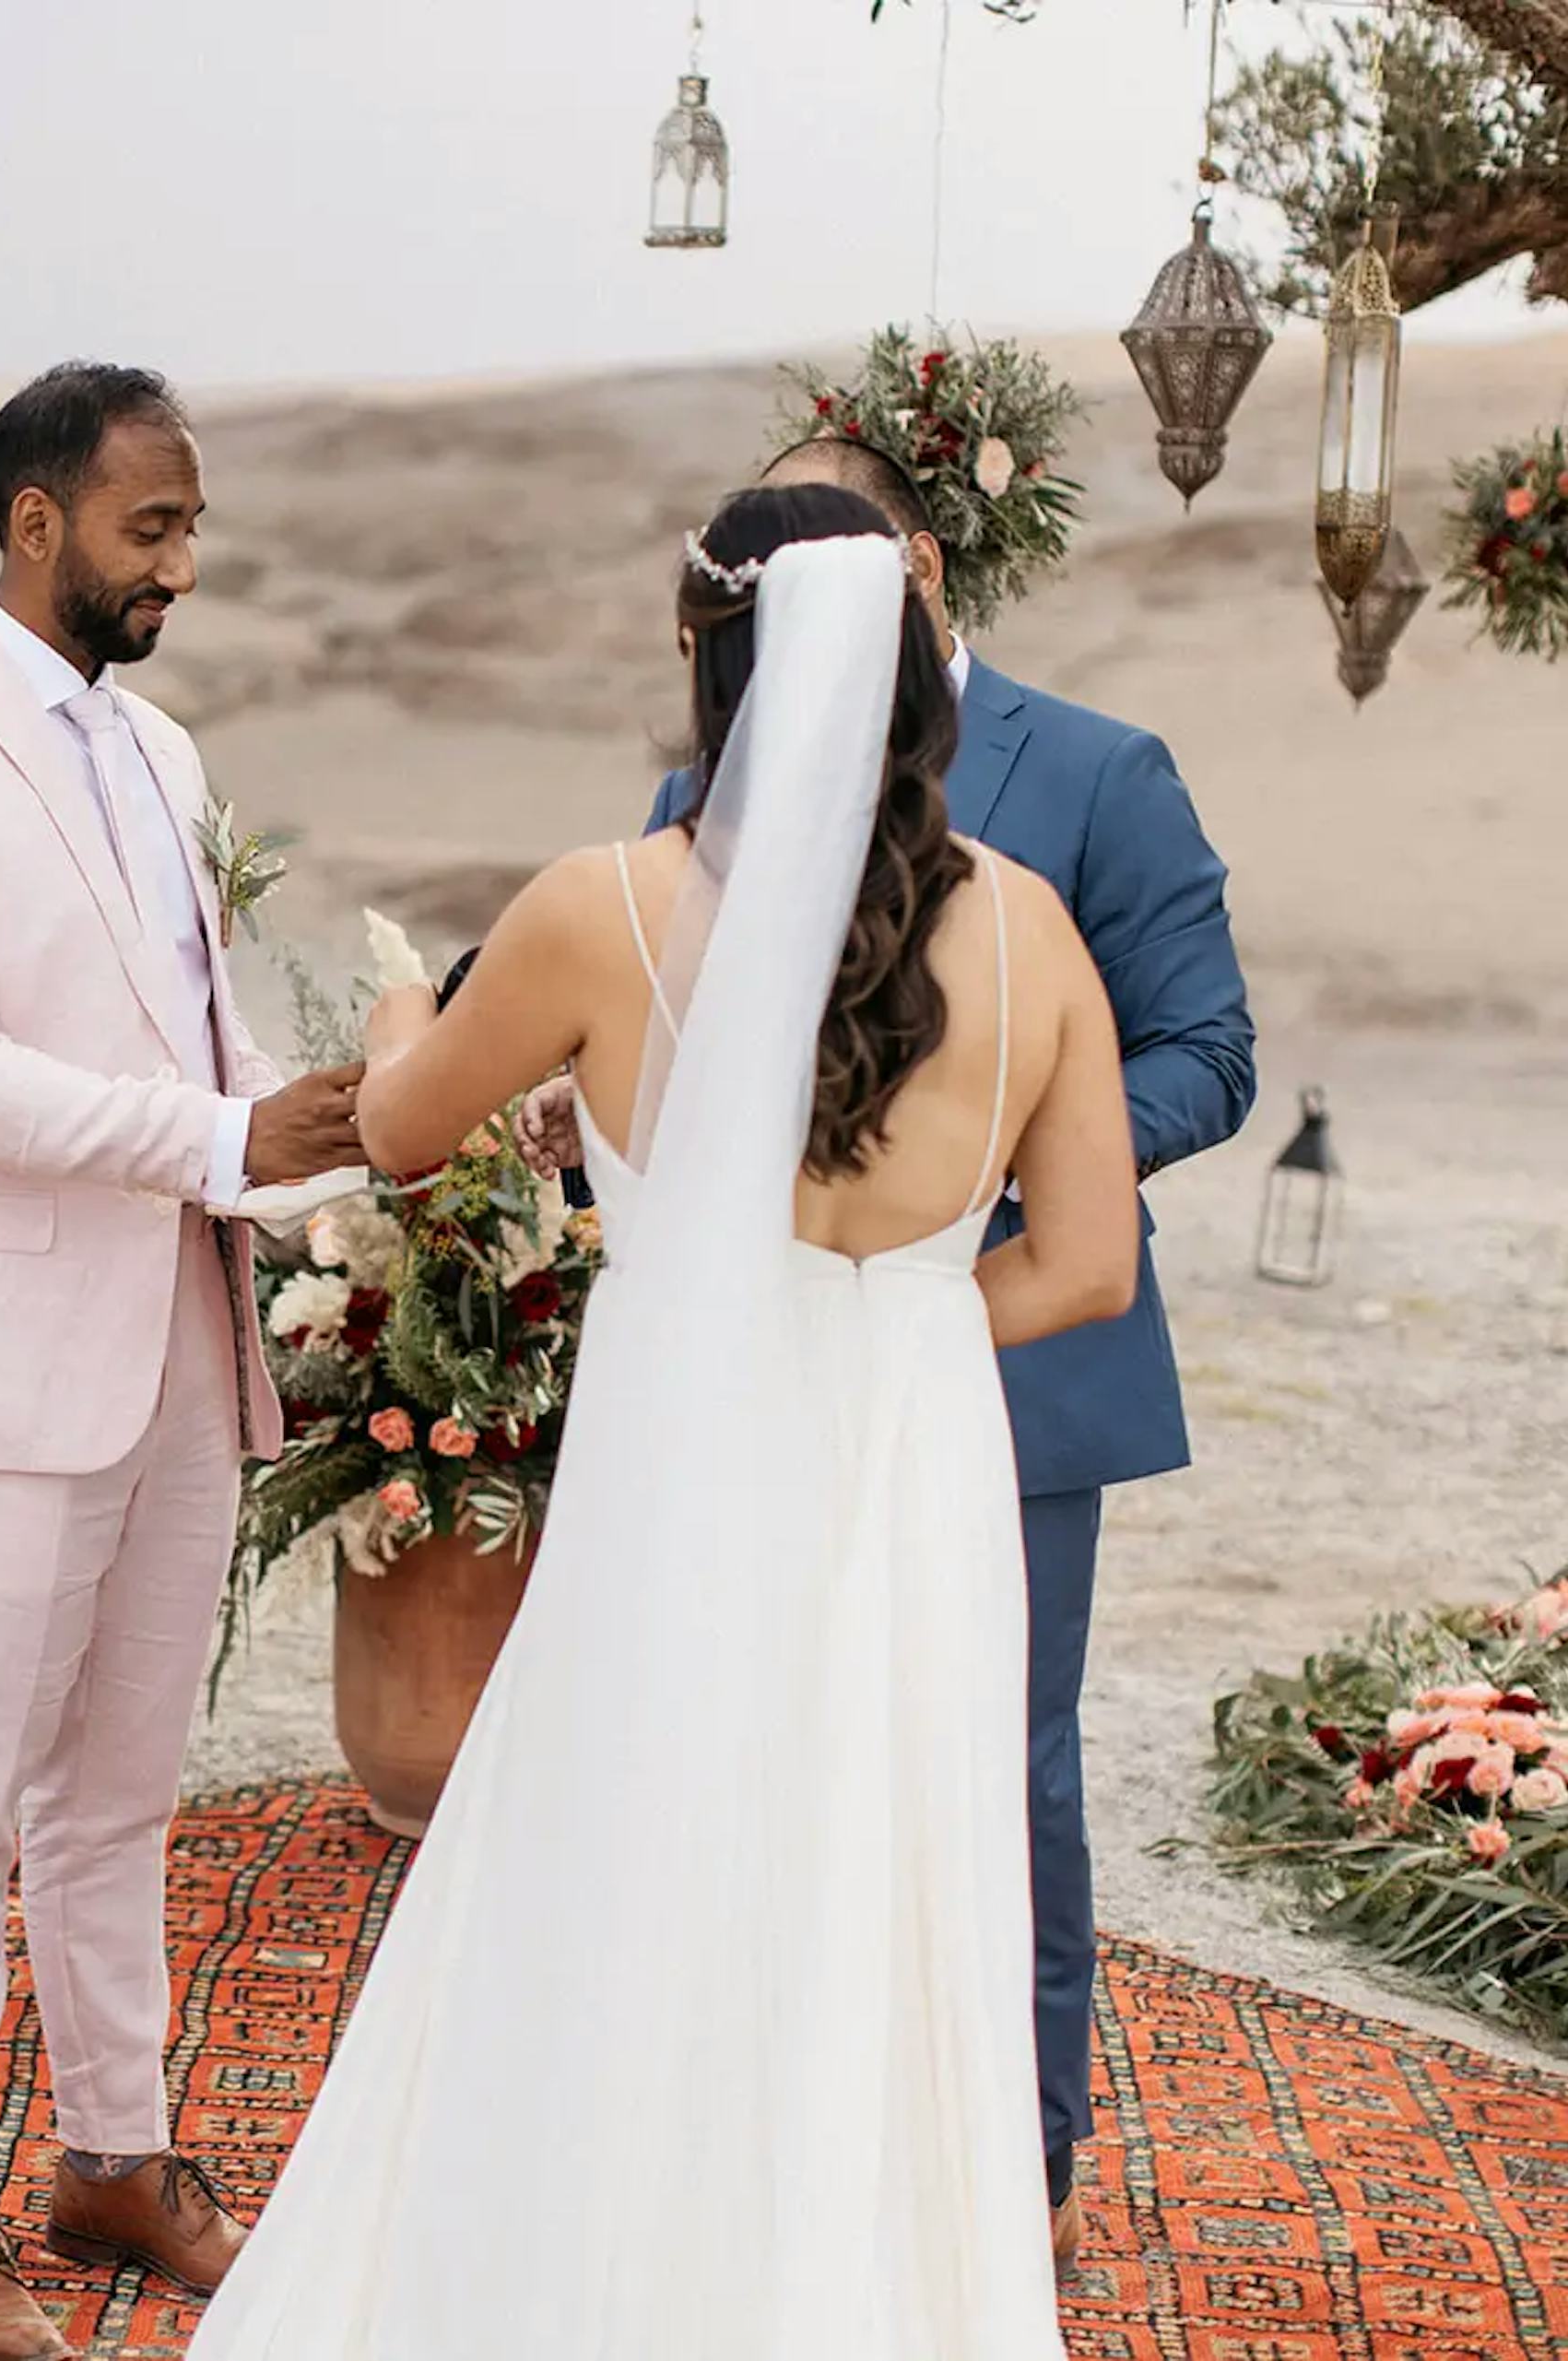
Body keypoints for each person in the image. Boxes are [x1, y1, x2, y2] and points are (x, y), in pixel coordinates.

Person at [185, 494, 1139, 2356]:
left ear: (716, 666)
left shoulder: (598, 913)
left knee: (626, 1853)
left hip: (687, 1475)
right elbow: (1091, 1262)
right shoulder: (1033, 940)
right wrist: (904, 1334)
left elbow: (396, 1127)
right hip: (906, 1489)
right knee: (882, 1879)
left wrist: (402, 1001)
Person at [529, 432, 1253, 2260]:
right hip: (742, 1382)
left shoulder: (1099, 771)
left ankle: (1013, 2179)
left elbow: (1210, 1048)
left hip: (992, 1366)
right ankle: (761, 2155)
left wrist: (1014, 1160)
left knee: (991, 1774)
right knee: (744, 1746)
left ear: (920, 561)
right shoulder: (707, 782)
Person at [0, 360, 368, 2361]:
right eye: (153, 530)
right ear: (35, 521)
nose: (182, 568)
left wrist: (373, 1112)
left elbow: (191, 1065)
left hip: (183, 1357)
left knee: (122, 1794)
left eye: (194, 530)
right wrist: (228, 1143)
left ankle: (115, 2158)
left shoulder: (167, 755)